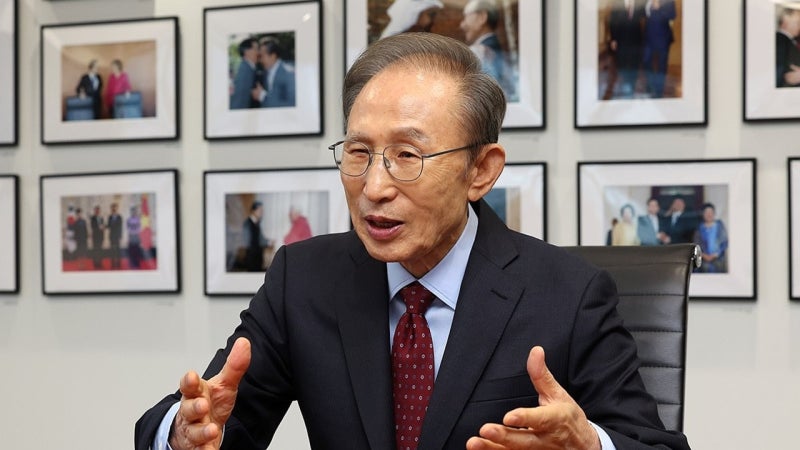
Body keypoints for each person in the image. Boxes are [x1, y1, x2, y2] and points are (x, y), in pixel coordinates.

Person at [135, 33, 690, 450]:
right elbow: (214, 416)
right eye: (359, 152)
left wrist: (590, 445)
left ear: (481, 170)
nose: (375, 187)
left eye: (408, 155)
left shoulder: (568, 294)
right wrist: (183, 433)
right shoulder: (303, 280)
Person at [460, 0, 516, 101]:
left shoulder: (477, 52)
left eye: (466, 17)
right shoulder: (498, 49)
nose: (462, 24)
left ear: (482, 17)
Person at [607, 0, 645, 98]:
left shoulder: (640, 3)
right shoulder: (617, 3)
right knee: (622, 64)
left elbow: (645, 17)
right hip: (621, 40)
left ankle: (631, 86)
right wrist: (613, 39)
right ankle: (625, 84)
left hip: (636, 41)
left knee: (634, 64)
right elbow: (612, 21)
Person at [641, 0, 676, 98]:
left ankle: (659, 92)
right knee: (646, 62)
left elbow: (672, 15)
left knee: (662, 66)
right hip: (648, 37)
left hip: (663, 38)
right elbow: (643, 13)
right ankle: (649, 87)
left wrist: (659, 7)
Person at [251, 37, 296, 108]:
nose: (260, 60)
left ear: (273, 56)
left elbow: (290, 105)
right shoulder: (265, 73)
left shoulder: (289, 73)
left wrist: (262, 96)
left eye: (262, 56)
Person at [693, 202, 728, 273]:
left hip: (718, 260)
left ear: (714, 214)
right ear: (703, 214)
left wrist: (715, 255)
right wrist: (704, 255)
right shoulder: (699, 228)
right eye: (706, 212)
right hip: (703, 261)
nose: (709, 215)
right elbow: (696, 244)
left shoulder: (719, 225)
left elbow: (724, 242)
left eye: (711, 212)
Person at [241, 201, 272, 272]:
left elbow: (260, 237)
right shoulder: (247, 224)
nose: (262, 213)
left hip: (257, 257)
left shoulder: (257, 223)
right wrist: (268, 243)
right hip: (252, 258)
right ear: (254, 211)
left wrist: (268, 242)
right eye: (260, 210)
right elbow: (248, 242)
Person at [230, 38, 260, 109]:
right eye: (256, 49)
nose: (259, 52)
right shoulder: (245, 72)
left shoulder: (248, 68)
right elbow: (240, 101)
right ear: (247, 52)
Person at [776, 6, 800, 87]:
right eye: (798, 20)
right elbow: (779, 73)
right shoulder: (779, 41)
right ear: (785, 20)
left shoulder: (791, 41)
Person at [107, 203, 123, 269]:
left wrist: (120, 235)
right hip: (111, 236)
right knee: (112, 250)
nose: (114, 209)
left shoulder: (119, 217)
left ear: (117, 208)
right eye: (113, 208)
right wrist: (103, 226)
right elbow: (108, 226)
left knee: (118, 250)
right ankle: (113, 263)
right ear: (111, 209)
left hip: (117, 236)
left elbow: (120, 227)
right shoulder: (110, 217)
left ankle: (118, 263)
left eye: (115, 207)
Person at [90, 205, 105, 269]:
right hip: (95, 236)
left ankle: (100, 263)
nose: (97, 211)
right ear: (94, 211)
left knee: (100, 250)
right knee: (95, 250)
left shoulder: (101, 218)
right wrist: (99, 227)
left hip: (100, 236)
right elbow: (92, 226)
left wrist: (103, 227)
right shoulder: (92, 218)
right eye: (96, 210)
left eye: (98, 210)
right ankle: (95, 263)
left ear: (99, 211)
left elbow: (103, 227)